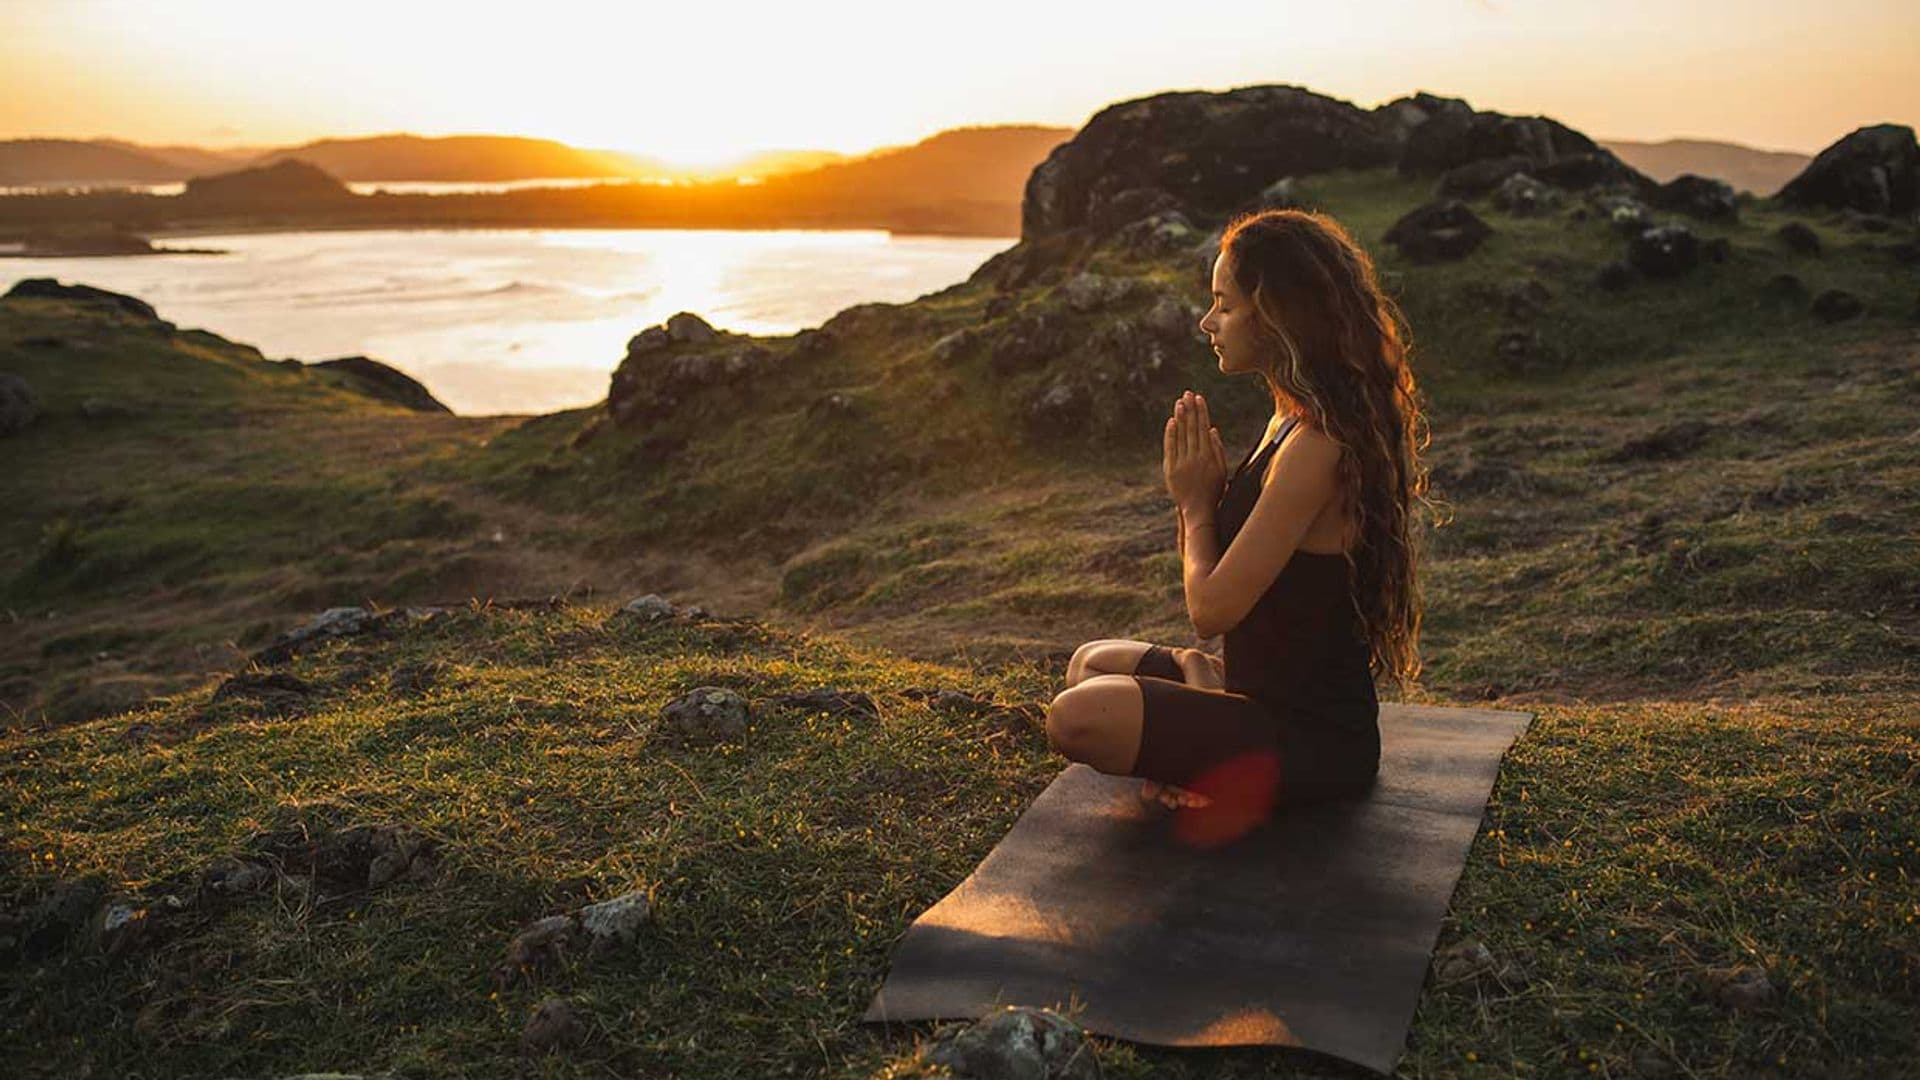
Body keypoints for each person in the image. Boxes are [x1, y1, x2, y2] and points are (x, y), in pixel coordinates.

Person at [1043, 207, 1442, 828]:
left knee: (1078, 716)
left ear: (1276, 312)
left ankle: (1220, 753)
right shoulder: (1286, 417)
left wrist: (1195, 503)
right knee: (1091, 662)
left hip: (1312, 739)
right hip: (1254, 692)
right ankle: (1210, 704)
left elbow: (1211, 611)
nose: (1208, 322)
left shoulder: (1317, 446)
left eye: (1223, 305)